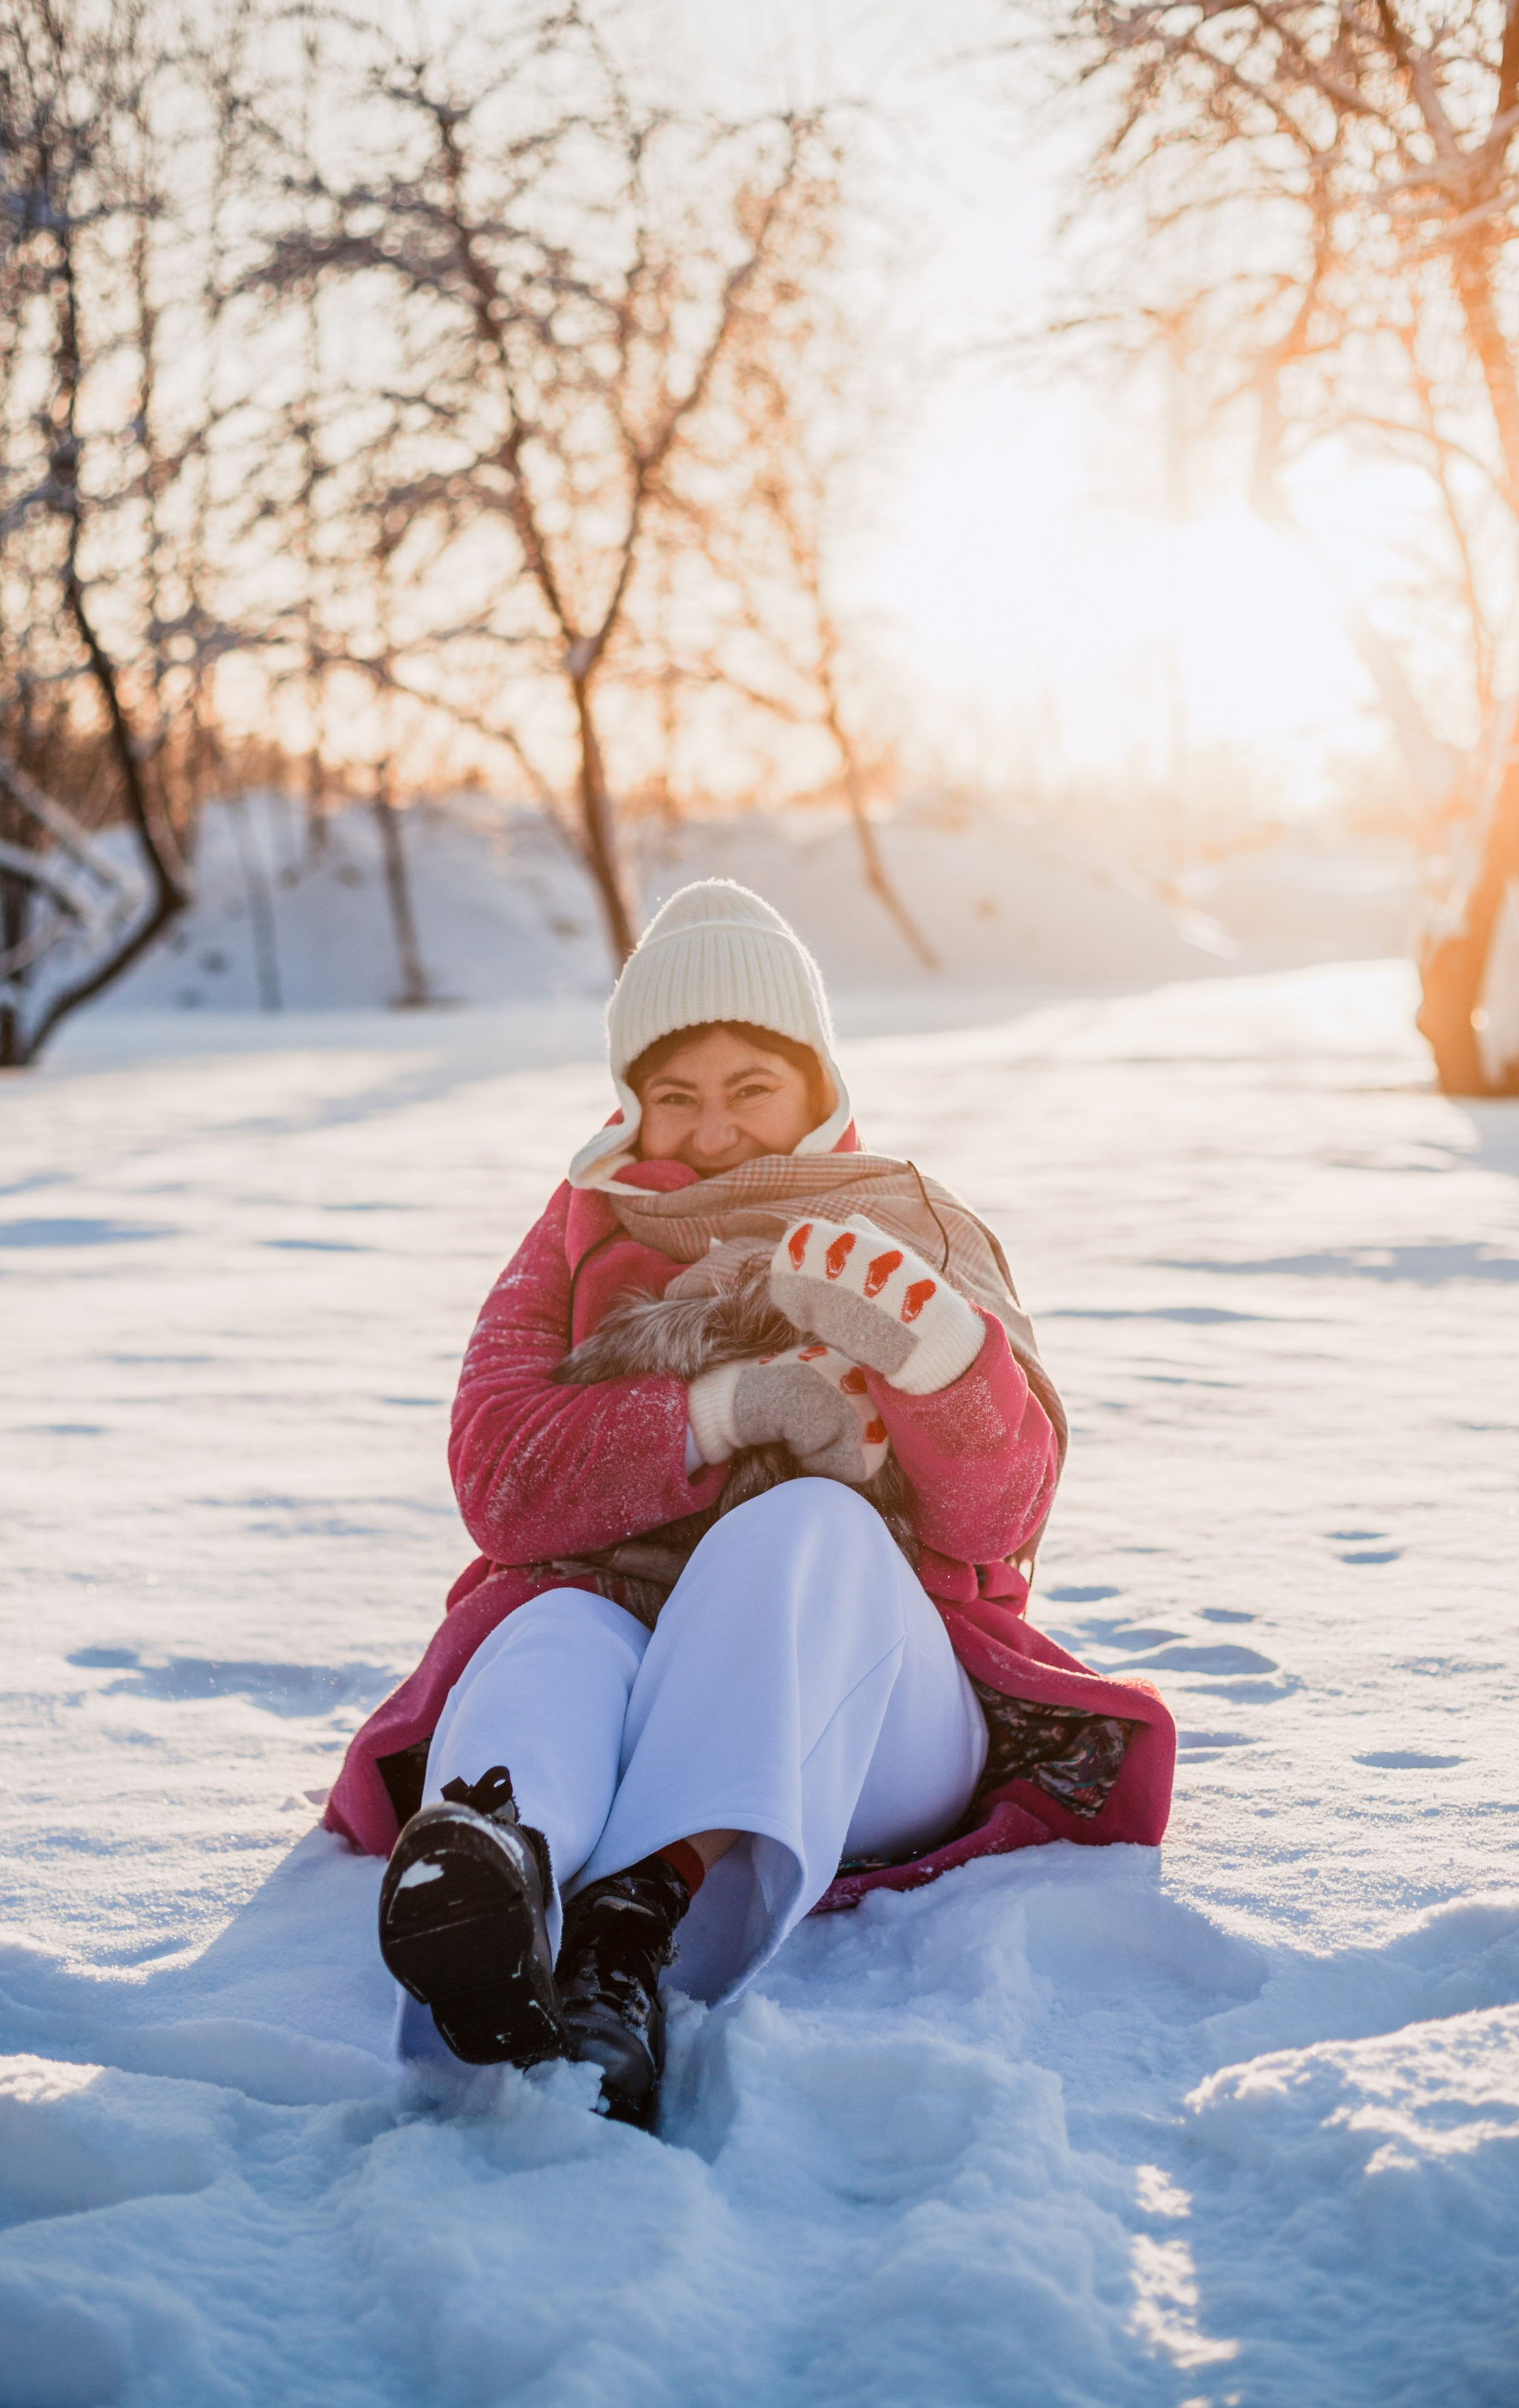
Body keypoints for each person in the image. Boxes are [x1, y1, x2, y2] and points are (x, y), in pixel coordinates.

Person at [327, 881, 1174, 2126]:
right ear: (630, 1099)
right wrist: (731, 1407)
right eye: (676, 1096)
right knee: (546, 1628)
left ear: (818, 1085)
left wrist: (941, 1373)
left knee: (805, 1525)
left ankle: (637, 1930)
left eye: (750, 1089)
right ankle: (492, 1880)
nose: (713, 1133)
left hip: (869, 1705)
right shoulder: (577, 1237)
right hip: (626, 1649)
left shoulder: (904, 1226)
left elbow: (1000, 1516)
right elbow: (503, 1478)